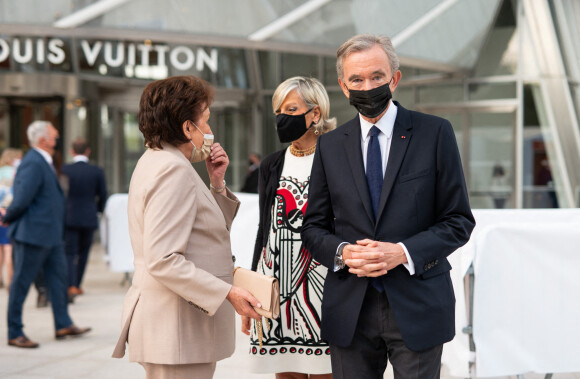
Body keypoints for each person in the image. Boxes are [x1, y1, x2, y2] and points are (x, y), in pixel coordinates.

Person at [301, 34, 476, 379]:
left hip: (418, 304)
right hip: (350, 308)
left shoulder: (435, 133)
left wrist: (402, 252)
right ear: (344, 86)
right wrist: (344, 253)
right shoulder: (330, 146)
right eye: (357, 79)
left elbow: (458, 220)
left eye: (377, 77)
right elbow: (313, 227)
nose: (367, 86)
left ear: (394, 78)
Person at [112, 75, 262, 379]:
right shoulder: (172, 170)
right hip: (177, 329)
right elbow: (163, 259)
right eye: (205, 120)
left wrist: (217, 184)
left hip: (175, 328)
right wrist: (227, 293)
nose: (209, 130)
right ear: (187, 128)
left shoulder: (160, 161)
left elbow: (206, 232)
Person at [242, 77, 336, 378]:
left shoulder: (337, 157)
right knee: (284, 372)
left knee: (326, 370)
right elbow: (264, 228)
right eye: (278, 111)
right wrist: (252, 288)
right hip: (275, 281)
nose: (282, 118)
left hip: (322, 284)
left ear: (315, 113)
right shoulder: (271, 164)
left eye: (291, 108)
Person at [1, 121, 91, 349]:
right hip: (32, 234)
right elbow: (22, 198)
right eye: (53, 133)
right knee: (21, 284)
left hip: (50, 235)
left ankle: (63, 324)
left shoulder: (43, 160)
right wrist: (7, 216)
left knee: (58, 281)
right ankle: (14, 332)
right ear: (43, 139)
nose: (58, 135)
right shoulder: (33, 162)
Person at [61, 138, 107, 301]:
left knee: (69, 252)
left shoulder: (65, 169)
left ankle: (71, 284)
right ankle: (78, 285)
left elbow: (61, 194)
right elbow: (102, 195)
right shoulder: (96, 171)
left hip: (69, 216)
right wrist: (99, 211)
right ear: (88, 151)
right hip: (88, 216)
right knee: (84, 252)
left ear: (72, 151)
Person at [0, 148, 23, 290]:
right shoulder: (15, 173)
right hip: (8, 211)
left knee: (0, 249)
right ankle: (10, 280)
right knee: (9, 249)